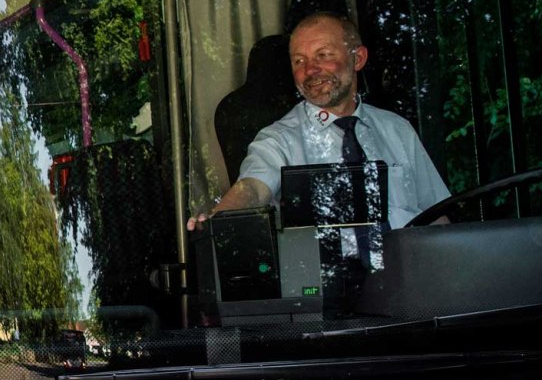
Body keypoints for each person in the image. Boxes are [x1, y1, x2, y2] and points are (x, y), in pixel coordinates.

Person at [189, 12, 449, 231]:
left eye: (323, 55)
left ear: (357, 58)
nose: (310, 70)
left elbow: (437, 215)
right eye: (299, 60)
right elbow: (254, 188)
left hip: (410, 276)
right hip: (331, 286)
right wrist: (220, 220)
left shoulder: (397, 129)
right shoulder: (279, 139)